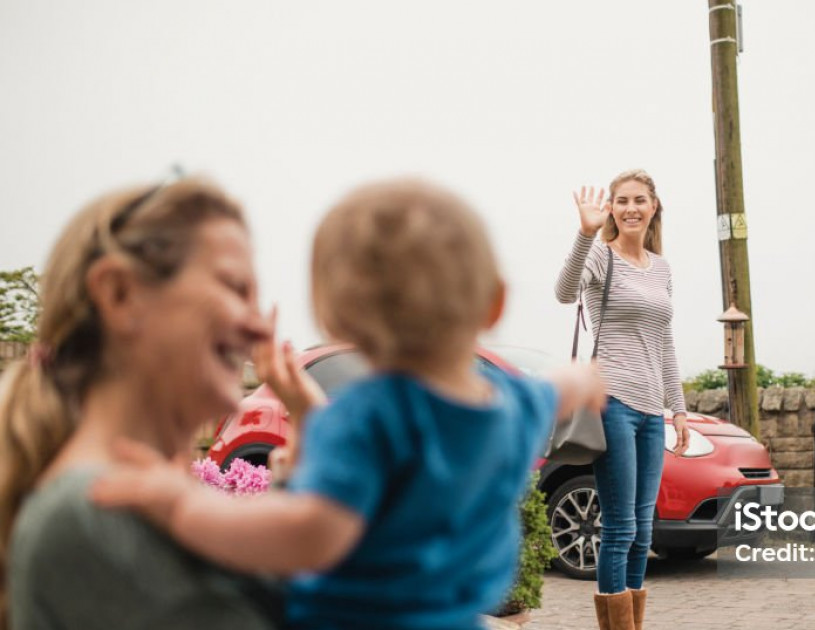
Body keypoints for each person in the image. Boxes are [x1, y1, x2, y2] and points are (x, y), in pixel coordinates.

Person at [91, 177, 607, 630]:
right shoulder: (513, 406)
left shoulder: (362, 416)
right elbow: (559, 389)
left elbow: (309, 535)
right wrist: (583, 379)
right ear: (495, 303)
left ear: (330, 315)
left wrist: (181, 505)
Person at [0, 177, 280, 629]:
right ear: (119, 294)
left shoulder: (130, 503)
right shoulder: (87, 516)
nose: (260, 327)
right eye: (234, 287)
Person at [554, 169, 689, 630]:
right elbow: (563, 291)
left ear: (654, 208)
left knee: (643, 530)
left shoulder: (662, 268)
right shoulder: (599, 256)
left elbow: (665, 341)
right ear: (611, 208)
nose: (631, 208)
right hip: (612, 401)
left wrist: (679, 408)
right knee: (620, 528)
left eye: (640, 200)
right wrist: (583, 234)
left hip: (653, 411)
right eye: (622, 200)